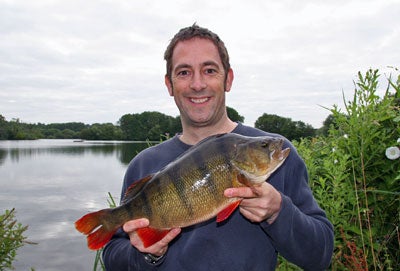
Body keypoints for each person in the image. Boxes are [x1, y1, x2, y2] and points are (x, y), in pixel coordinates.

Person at [102, 24, 334, 270]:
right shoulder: (143, 164)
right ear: (169, 85)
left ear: (228, 79)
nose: (198, 84)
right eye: (183, 73)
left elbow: (320, 255)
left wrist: (278, 211)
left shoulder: (277, 156)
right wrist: (146, 255)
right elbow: (113, 257)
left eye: (209, 70)